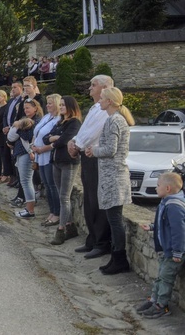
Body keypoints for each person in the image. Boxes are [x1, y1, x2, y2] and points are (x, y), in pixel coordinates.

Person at [85, 86, 135, 275]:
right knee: (112, 218)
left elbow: (111, 150)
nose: (100, 101)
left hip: (113, 176)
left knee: (114, 220)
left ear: (110, 102)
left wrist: (93, 151)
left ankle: (119, 258)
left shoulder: (114, 120)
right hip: (111, 175)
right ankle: (115, 257)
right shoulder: (114, 119)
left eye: (103, 98)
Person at [69, 75, 114, 259]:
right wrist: (75, 141)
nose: (89, 88)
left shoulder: (105, 111)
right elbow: (84, 130)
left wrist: (76, 144)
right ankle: (92, 238)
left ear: (104, 88)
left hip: (96, 157)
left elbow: (93, 133)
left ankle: (101, 242)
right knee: (88, 199)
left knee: (97, 200)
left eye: (93, 85)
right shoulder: (96, 107)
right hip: (87, 155)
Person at [137, 172, 185, 318]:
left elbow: (179, 231)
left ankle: (161, 306)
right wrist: (152, 227)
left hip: (173, 252)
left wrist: (177, 252)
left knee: (165, 278)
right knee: (160, 276)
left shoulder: (174, 206)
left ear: (168, 188)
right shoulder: (166, 201)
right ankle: (154, 300)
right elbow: (163, 223)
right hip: (166, 250)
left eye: (158, 186)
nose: (156, 188)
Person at [47, 96, 83, 246]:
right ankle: (70, 225)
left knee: (64, 197)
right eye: (60, 104)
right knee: (60, 193)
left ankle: (61, 230)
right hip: (56, 161)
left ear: (70, 106)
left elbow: (64, 140)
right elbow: (45, 138)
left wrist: (55, 139)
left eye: (63, 105)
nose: (61, 107)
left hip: (68, 162)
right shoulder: (60, 122)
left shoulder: (74, 122)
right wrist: (55, 138)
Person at [8, 99, 43, 218]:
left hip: (26, 154)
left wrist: (18, 128)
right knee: (25, 181)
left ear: (35, 108)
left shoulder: (36, 121)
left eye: (28, 108)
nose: (25, 110)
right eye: (24, 108)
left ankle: (30, 210)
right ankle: (28, 207)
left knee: (26, 181)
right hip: (21, 152)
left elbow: (28, 137)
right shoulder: (27, 120)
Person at [31, 94, 62, 227]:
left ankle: (57, 213)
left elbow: (55, 138)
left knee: (52, 185)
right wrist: (33, 146)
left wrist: (42, 148)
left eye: (50, 103)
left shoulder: (59, 119)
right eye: (47, 103)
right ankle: (52, 211)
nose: (48, 105)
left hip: (47, 154)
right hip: (39, 154)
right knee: (46, 184)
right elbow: (37, 133)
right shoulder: (47, 117)